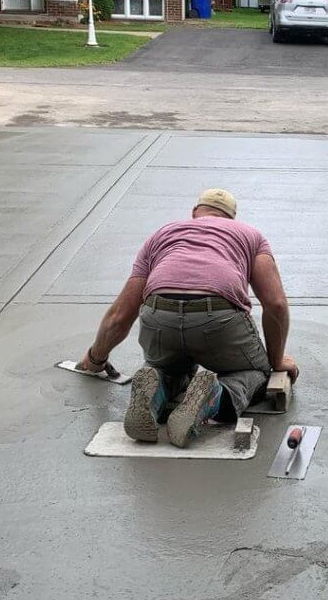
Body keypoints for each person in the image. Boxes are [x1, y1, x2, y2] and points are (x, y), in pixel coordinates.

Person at [76, 188, 298, 448]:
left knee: (167, 369)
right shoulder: (250, 235)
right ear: (231, 218)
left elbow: (120, 315)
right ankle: (214, 395)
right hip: (218, 320)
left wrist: (95, 359)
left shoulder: (162, 235)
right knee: (254, 372)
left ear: (195, 212)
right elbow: (276, 303)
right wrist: (276, 361)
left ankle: (154, 391)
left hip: (159, 315)